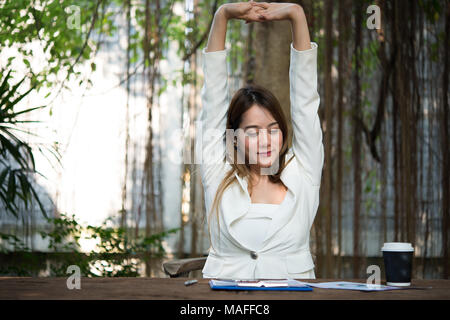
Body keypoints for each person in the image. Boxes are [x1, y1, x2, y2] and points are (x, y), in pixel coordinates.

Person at [195, 1, 324, 280]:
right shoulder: (218, 173)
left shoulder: (303, 169)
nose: (266, 140)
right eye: (252, 131)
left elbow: (305, 99)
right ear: (235, 138)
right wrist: (223, 16)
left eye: (273, 129)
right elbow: (213, 98)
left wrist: (296, 16)